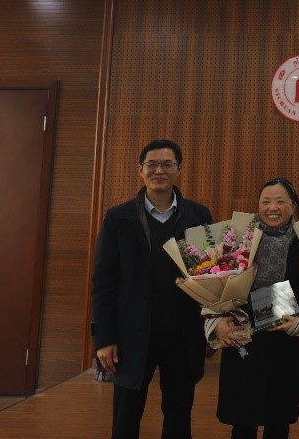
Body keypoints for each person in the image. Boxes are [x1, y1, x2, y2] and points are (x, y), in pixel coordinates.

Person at [91, 139, 213, 439]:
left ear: (178, 170)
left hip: (182, 334)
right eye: (152, 165)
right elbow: (104, 282)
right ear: (141, 170)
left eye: (167, 164)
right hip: (131, 336)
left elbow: (210, 276)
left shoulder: (198, 216)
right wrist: (104, 338)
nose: (160, 171)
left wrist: (211, 327)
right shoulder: (118, 218)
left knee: (178, 416)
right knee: (125, 417)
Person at [209, 178, 299, 439]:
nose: (272, 208)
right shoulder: (240, 241)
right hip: (243, 338)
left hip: (284, 341)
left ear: (294, 206)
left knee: (278, 421)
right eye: (265, 202)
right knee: (242, 421)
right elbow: (211, 285)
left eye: (280, 201)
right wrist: (216, 321)